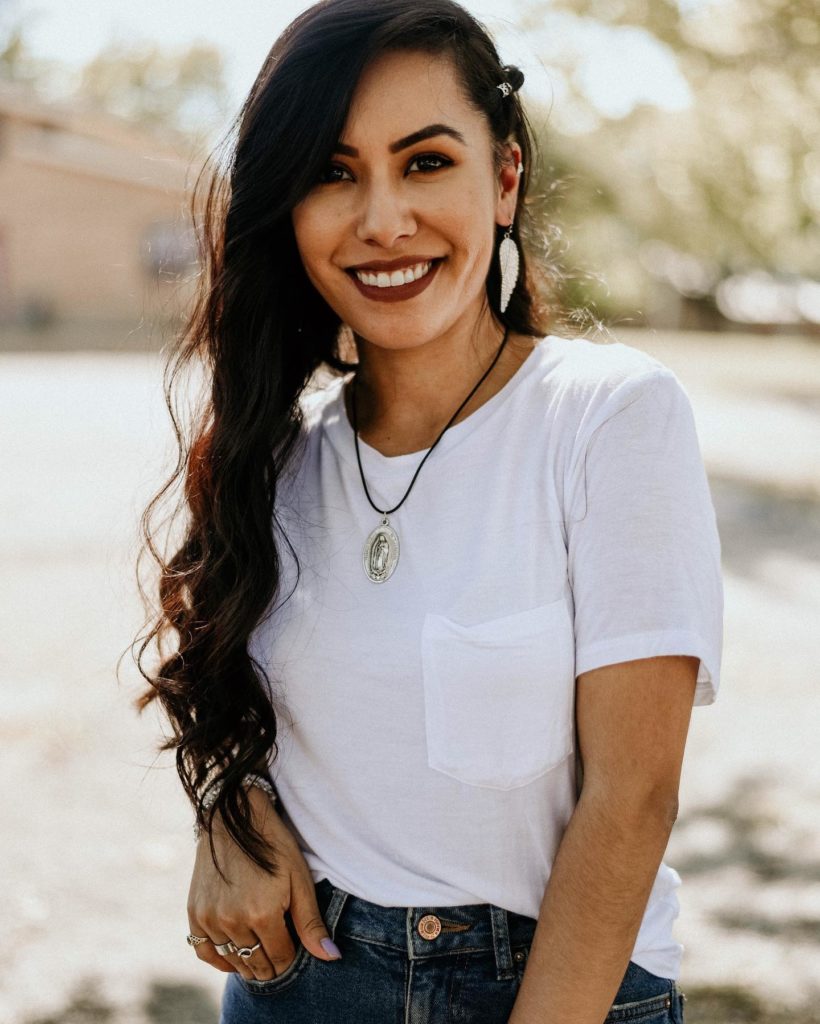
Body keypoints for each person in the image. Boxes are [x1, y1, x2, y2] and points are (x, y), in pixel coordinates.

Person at [134, 1, 724, 1021]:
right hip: (297, 990)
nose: (380, 220)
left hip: (553, 989)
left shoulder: (607, 417)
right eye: (332, 171)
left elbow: (630, 804)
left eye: (424, 162)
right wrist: (224, 815)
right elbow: (280, 720)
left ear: (503, 178)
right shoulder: (275, 451)